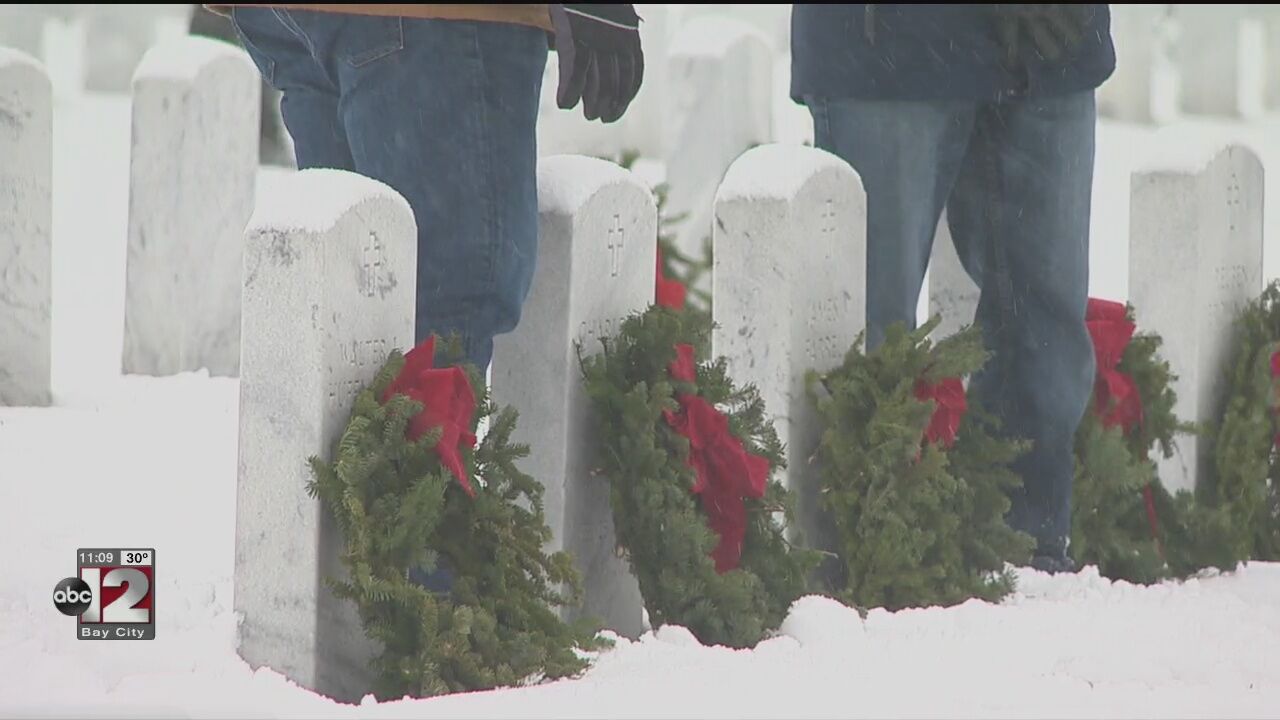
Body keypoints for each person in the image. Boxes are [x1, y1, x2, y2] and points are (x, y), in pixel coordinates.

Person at [792, 4, 1116, 573]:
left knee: (1045, 322)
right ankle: (854, 562)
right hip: (890, 43)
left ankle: (1024, 546)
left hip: (1050, 39)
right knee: (867, 327)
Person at [209, 3, 644, 371]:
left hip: (291, 18)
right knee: (449, 302)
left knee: (352, 316)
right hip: (429, 21)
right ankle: (424, 470)